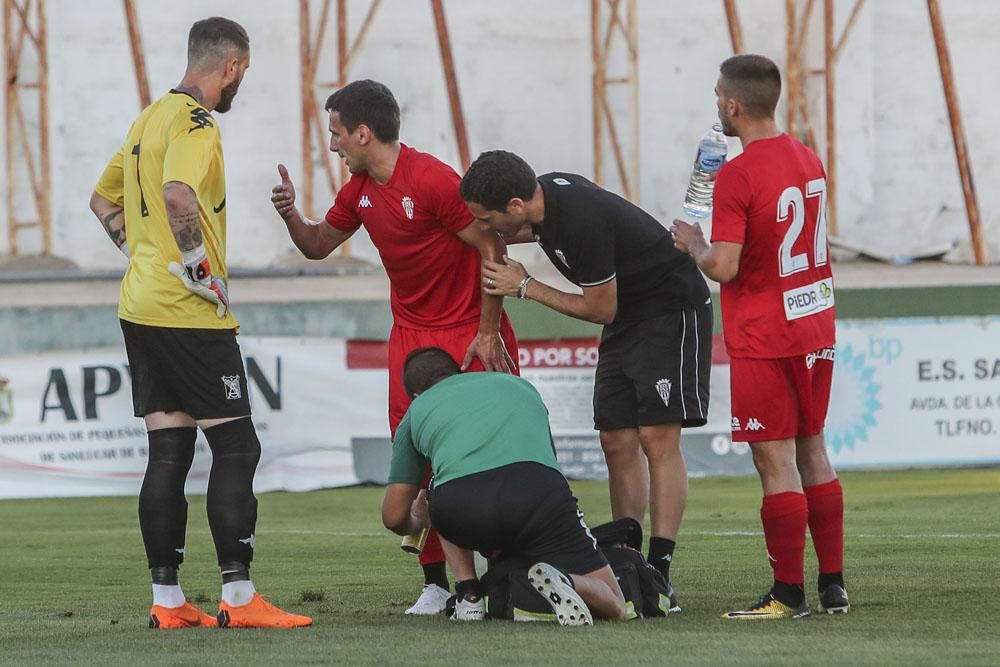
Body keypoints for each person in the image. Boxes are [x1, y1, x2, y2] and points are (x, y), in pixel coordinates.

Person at [89, 17, 311, 629]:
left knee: (169, 452)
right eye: (243, 75)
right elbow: (180, 195)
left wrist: (143, 257)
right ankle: (240, 601)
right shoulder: (194, 122)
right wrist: (193, 266)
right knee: (238, 447)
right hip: (189, 315)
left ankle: (167, 603)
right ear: (231, 66)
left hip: (140, 307)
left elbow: (102, 200)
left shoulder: (147, 119)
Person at [270, 79, 518, 615]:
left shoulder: (431, 179)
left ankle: (506, 575)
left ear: (363, 133)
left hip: (470, 329)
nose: (331, 145)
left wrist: (488, 329)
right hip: (410, 336)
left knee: (490, 455)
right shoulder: (358, 190)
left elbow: (491, 246)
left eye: (336, 133)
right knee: (418, 458)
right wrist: (291, 213)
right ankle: (437, 583)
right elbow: (317, 246)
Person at [459, 150, 712, 610]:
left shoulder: (580, 222)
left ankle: (660, 570)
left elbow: (600, 309)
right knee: (616, 438)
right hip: (628, 316)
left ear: (516, 205)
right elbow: (502, 236)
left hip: (669, 309)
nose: (487, 227)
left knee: (657, 437)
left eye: (489, 217)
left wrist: (525, 287)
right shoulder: (543, 200)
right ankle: (626, 558)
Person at [670, 54, 848, 620]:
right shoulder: (807, 157)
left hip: (766, 334)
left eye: (717, 95)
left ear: (733, 104)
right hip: (816, 322)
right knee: (813, 448)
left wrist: (692, 243)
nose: (715, 104)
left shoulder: (739, 174)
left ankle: (788, 594)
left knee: (774, 461)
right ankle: (834, 586)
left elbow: (722, 266)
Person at [381, 347, 627, 625]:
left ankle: (468, 594)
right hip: (541, 495)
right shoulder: (521, 386)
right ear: (458, 373)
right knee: (617, 604)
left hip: (460, 506)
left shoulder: (417, 410)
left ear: (416, 395)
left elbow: (393, 516)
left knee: (438, 486)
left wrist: (421, 519)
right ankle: (567, 580)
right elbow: (549, 461)